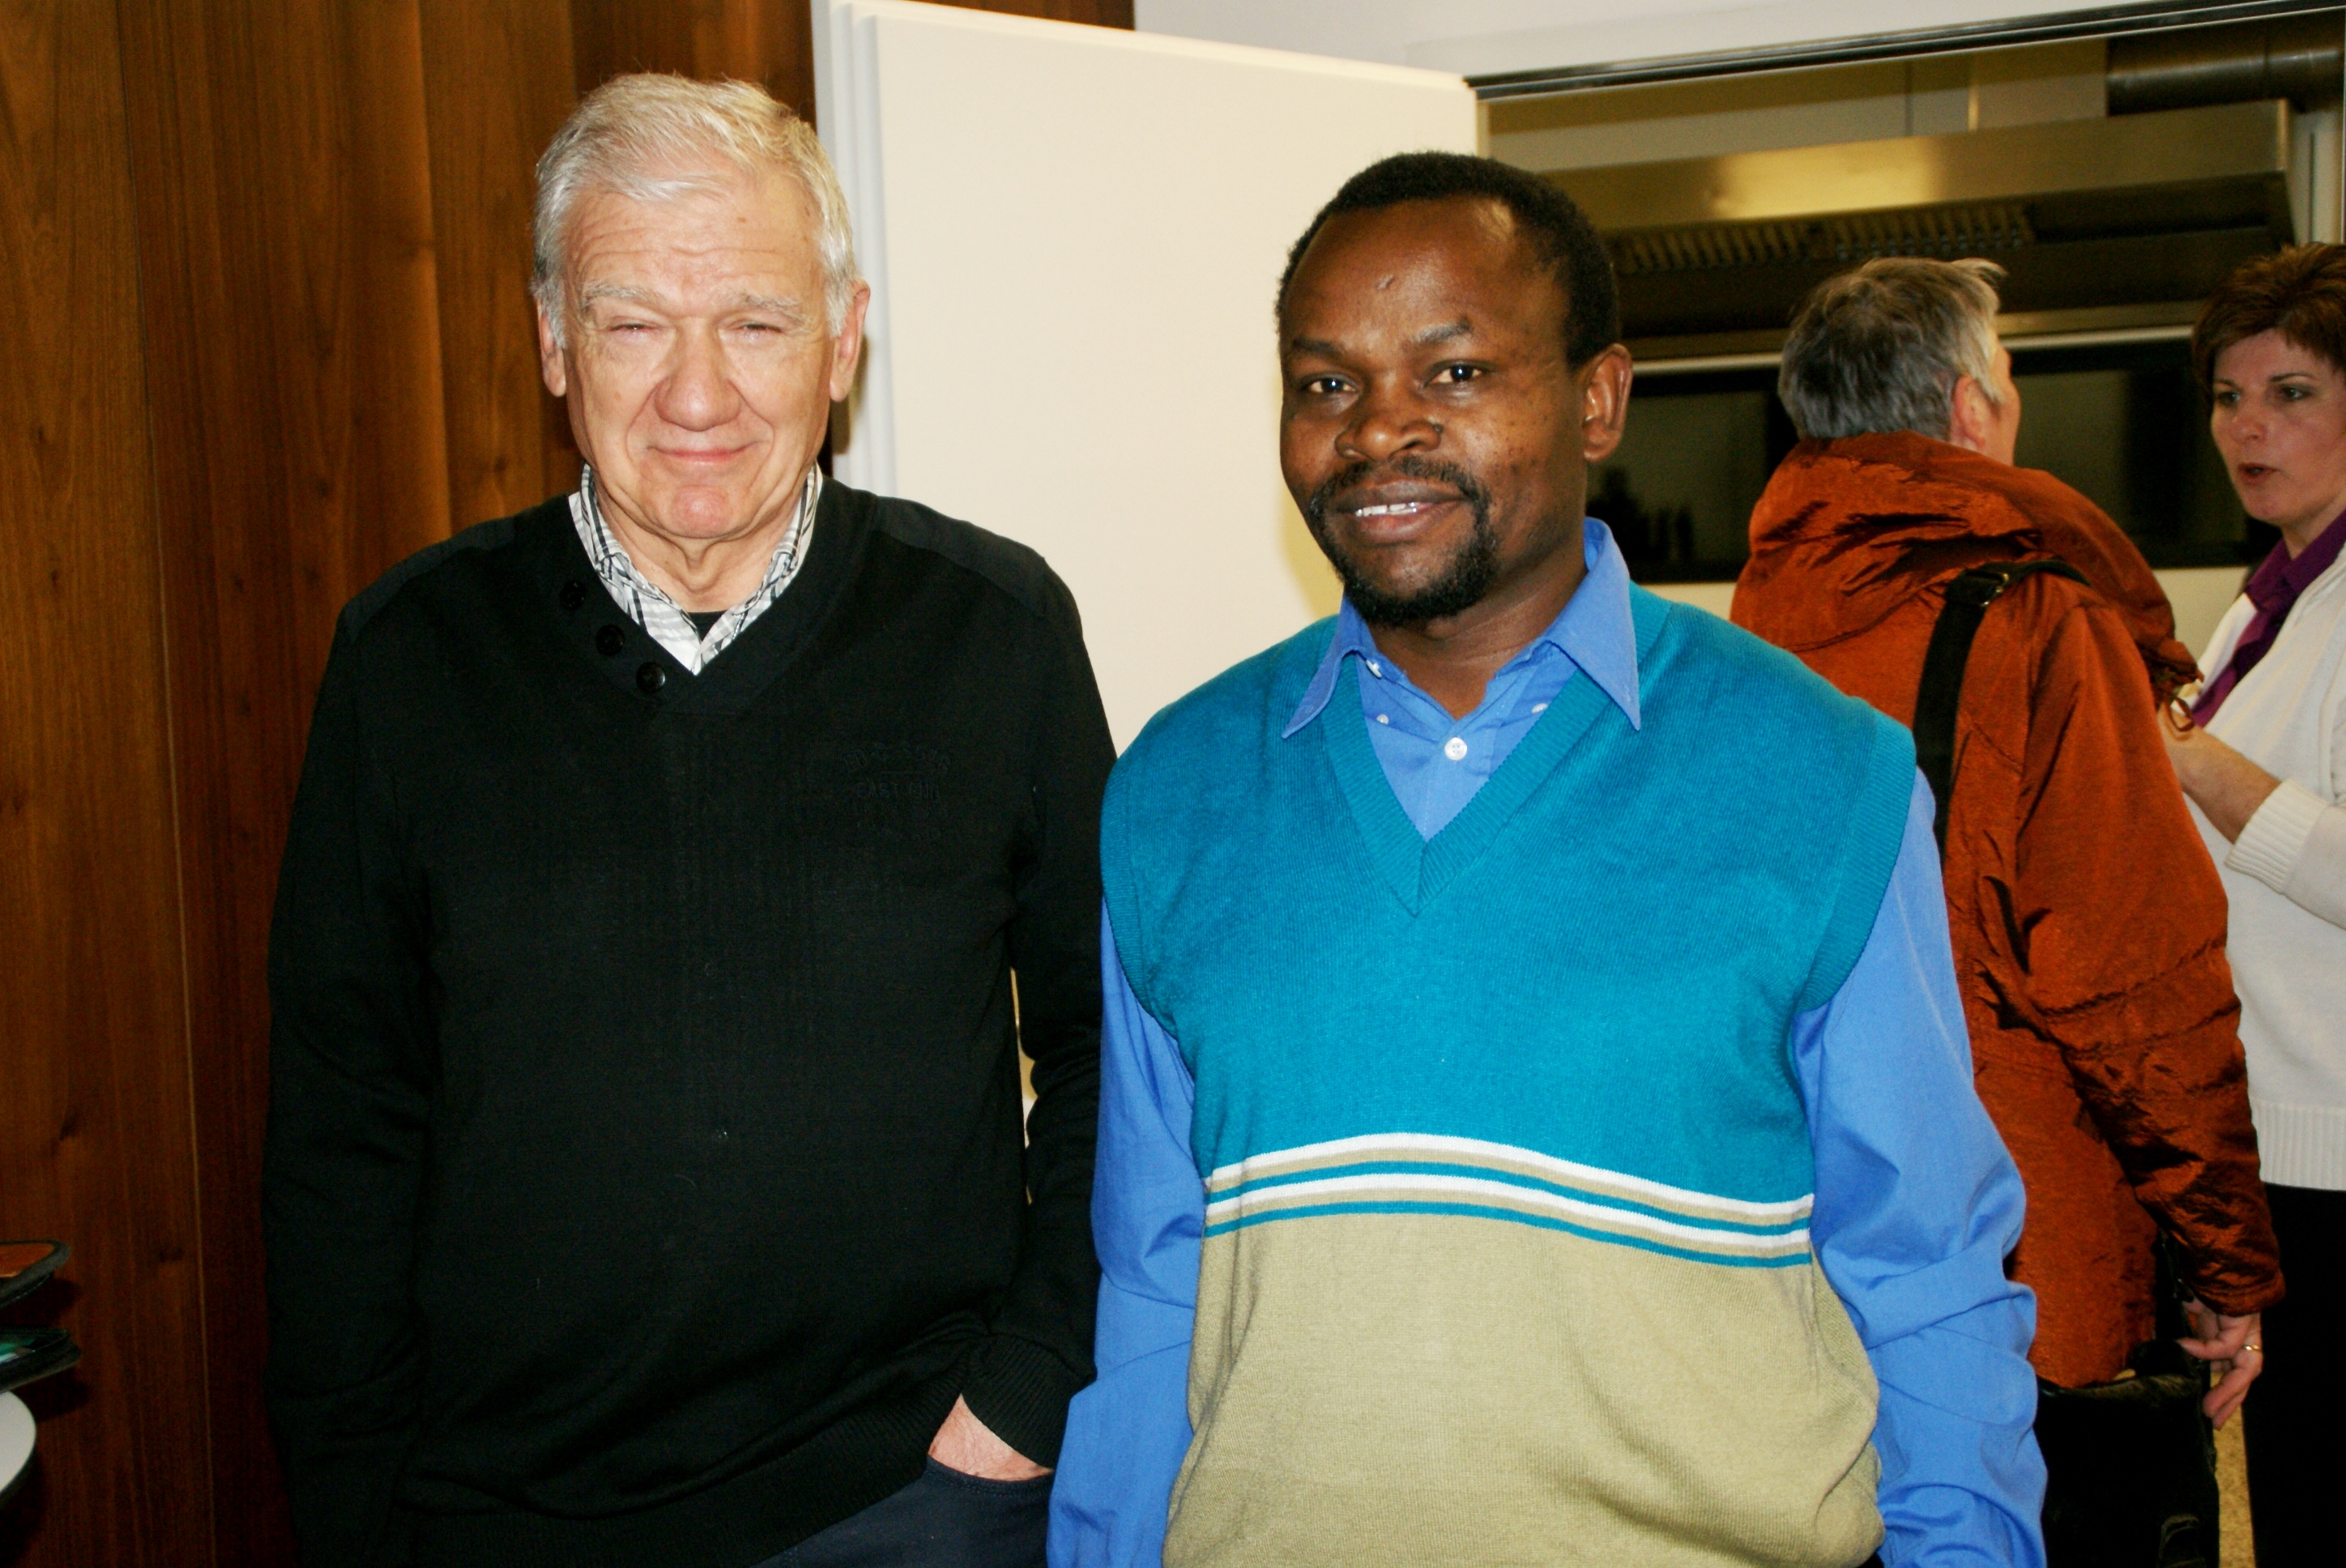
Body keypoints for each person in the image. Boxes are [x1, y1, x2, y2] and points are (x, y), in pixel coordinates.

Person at [1049, 152, 2043, 1568]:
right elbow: (1155, 1295)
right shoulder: (1177, 789)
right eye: (1326, 382)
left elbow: (1927, 1275)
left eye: (1453, 372)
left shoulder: (1823, 777)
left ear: (1598, 400)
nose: (1377, 427)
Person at [264, 76, 1112, 1568]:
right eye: (634, 324)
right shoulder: (408, 661)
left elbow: (1120, 1055)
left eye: (757, 323)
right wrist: (354, 1510)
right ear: (553, 341)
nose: (698, 394)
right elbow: (342, 1130)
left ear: (843, 338)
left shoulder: (997, 633)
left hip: (909, 1502)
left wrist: (1026, 1395)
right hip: (505, 1519)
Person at [1733, 256, 2281, 1540]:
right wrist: (2225, 1255)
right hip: (2021, 1263)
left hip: (1797, 1250)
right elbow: (2135, 980)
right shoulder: (2037, 621)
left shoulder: (1740, 635)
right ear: (1971, 407)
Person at [2165, 242, 2346, 1568]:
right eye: (2229, 398)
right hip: (2273, 1144)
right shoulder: (2273, 597)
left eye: (2290, 393)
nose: (2248, 428)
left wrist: (2191, 762)